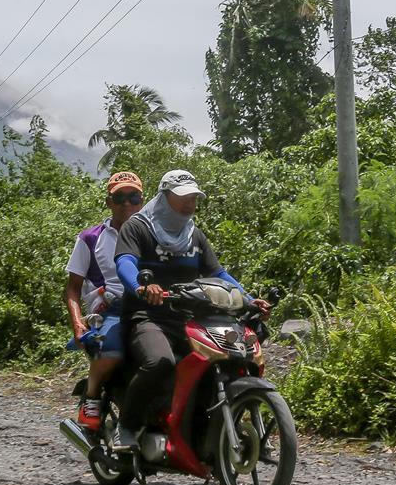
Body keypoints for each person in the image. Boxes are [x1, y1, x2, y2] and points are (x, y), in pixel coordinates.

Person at [112, 169, 271, 449]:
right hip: (147, 316)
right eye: (183, 197)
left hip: (189, 318)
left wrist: (247, 298)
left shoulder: (194, 236)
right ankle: (127, 426)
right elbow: (125, 262)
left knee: (222, 361)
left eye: (194, 197)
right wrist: (141, 286)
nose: (190, 203)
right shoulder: (137, 227)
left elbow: (218, 273)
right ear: (164, 197)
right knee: (160, 363)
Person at [65, 171, 145, 432]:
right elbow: (72, 287)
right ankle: (91, 397)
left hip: (151, 305)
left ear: (142, 201)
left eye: (133, 197)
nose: (127, 203)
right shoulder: (91, 238)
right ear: (109, 201)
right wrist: (78, 325)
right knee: (111, 351)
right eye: (120, 197)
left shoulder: (154, 234)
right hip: (111, 308)